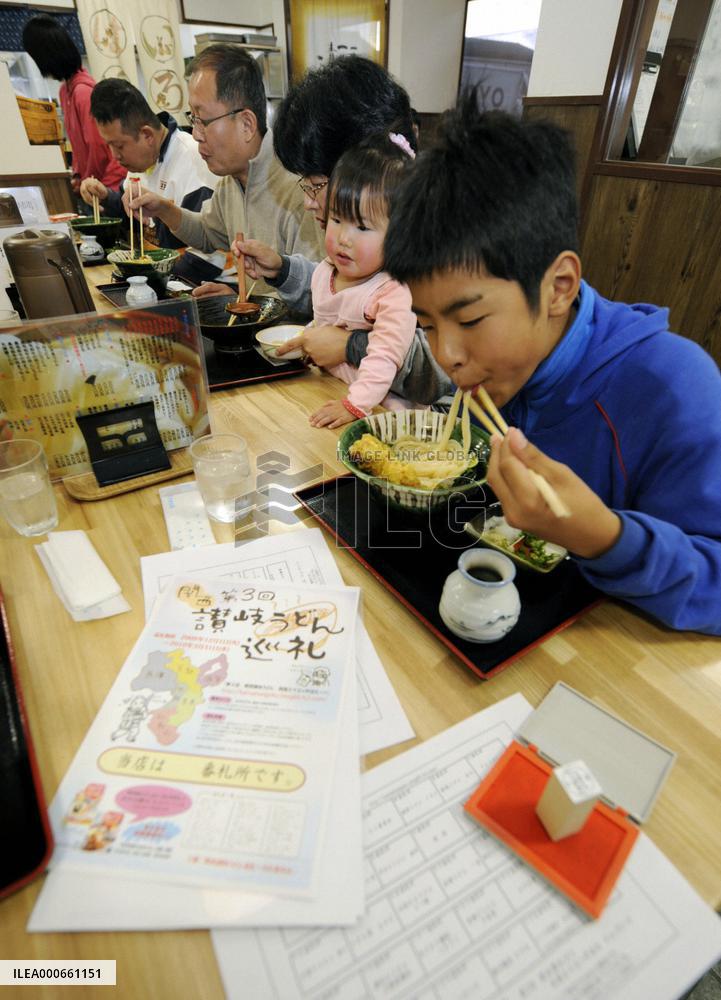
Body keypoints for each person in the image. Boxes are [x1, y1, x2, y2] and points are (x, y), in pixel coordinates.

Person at [382, 95, 721, 635]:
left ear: (559, 286)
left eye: (469, 320)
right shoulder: (492, 378)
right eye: (426, 324)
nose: (446, 355)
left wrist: (604, 537)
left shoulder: (676, 387)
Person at [230, 55, 452, 404]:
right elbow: (346, 297)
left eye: (319, 185)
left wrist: (351, 346)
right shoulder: (364, 224)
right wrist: (283, 270)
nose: (310, 201)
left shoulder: (445, 243)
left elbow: (448, 369)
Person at [127, 44, 323, 299]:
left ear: (246, 124)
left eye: (202, 120)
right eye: (192, 118)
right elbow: (209, 233)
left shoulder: (300, 189)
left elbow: (317, 295)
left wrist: (242, 301)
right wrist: (163, 209)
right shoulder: (232, 179)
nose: (195, 134)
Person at [308, 133, 419, 429]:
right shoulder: (324, 273)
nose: (344, 238)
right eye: (336, 219)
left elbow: (385, 355)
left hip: (384, 409)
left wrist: (355, 405)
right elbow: (324, 327)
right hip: (333, 392)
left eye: (362, 226)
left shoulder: (392, 292)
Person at [79, 79, 216, 249]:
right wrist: (105, 196)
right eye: (109, 146)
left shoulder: (195, 158)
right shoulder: (140, 164)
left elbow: (205, 247)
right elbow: (133, 218)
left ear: (147, 135)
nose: (115, 156)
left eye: (119, 146)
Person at [22, 15, 125, 194]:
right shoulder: (65, 91)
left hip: (108, 183)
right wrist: (78, 175)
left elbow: (98, 147)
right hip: (93, 184)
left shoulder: (83, 92)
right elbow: (79, 147)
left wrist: (89, 182)